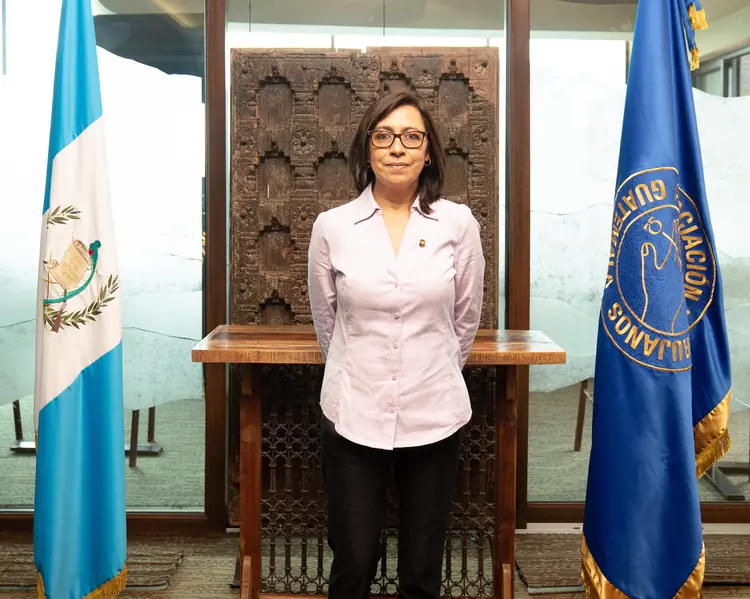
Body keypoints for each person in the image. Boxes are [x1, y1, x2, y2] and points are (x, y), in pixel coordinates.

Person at [307, 91, 485, 599]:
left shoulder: (457, 224)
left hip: (433, 411)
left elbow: (465, 317)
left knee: (422, 569)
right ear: (367, 150)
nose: (397, 148)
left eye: (411, 136)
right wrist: (360, 370)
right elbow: (327, 320)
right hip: (354, 410)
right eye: (383, 136)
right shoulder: (333, 226)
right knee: (354, 560)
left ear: (428, 152)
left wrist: (430, 368)